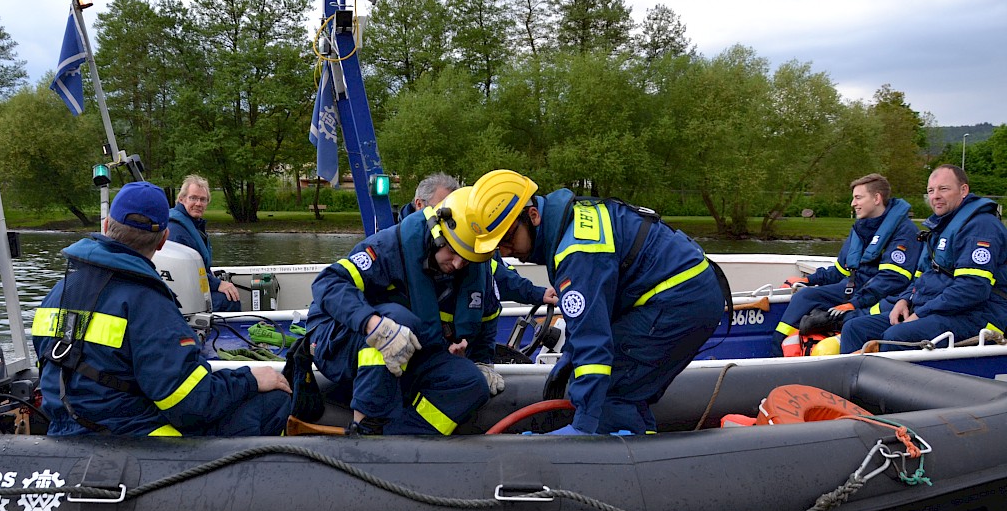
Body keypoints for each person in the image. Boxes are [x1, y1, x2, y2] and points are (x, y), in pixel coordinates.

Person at [33, 181, 292, 436]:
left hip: (62, 425)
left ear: (105, 226)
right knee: (275, 400)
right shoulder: (148, 303)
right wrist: (251, 380)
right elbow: (189, 404)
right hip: (128, 435)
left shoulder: (61, 289)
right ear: (163, 241)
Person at [492, 171, 726, 436]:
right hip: (684, 290)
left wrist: (583, 428)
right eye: (497, 246)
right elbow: (592, 318)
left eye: (508, 239)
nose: (506, 251)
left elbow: (594, 343)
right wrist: (569, 360)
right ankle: (638, 442)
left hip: (680, 299)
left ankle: (618, 451)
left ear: (533, 216)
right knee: (623, 384)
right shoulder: (570, 225)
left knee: (614, 385)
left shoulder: (576, 253)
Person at [306, 175, 528, 435]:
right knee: (399, 322)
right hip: (340, 340)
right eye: (453, 253)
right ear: (436, 235)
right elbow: (328, 284)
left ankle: (405, 436)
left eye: (466, 259)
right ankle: (366, 427)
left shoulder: (474, 267)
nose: (457, 264)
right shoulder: (388, 247)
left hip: (412, 348)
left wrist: (482, 362)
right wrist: (373, 324)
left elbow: (488, 316)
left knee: (471, 383)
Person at [840, 164, 1007, 353]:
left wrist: (920, 313)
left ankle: (887, 382)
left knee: (897, 336)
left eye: (943, 189)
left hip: (978, 314)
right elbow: (921, 278)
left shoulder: (981, 227)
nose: (935, 195)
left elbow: (972, 289)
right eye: (931, 190)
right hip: (939, 308)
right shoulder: (941, 227)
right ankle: (849, 381)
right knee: (855, 328)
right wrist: (904, 301)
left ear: (963, 190)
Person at [772, 173, 920, 355]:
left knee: (849, 321)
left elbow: (892, 280)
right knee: (803, 297)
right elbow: (840, 270)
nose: (853, 203)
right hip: (851, 289)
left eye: (858, 198)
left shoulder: (904, 232)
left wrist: (854, 304)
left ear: (876, 198)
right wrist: (809, 279)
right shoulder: (860, 228)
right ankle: (776, 350)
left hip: (879, 296)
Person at [400, 172, 557, 307]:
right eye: (440, 210)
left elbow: (497, 274)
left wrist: (538, 294)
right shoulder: (397, 246)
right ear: (419, 205)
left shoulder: (472, 242)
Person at [167, 174, 241, 312]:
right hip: (181, 298)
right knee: (229, 300)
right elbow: (183, 274)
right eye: (193, 198)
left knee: (229, 291)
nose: (198, 203)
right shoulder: (176, 230)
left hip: (192, 290)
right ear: (181, 199)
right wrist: (217, 284)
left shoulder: (193, 224)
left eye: (203, 199)